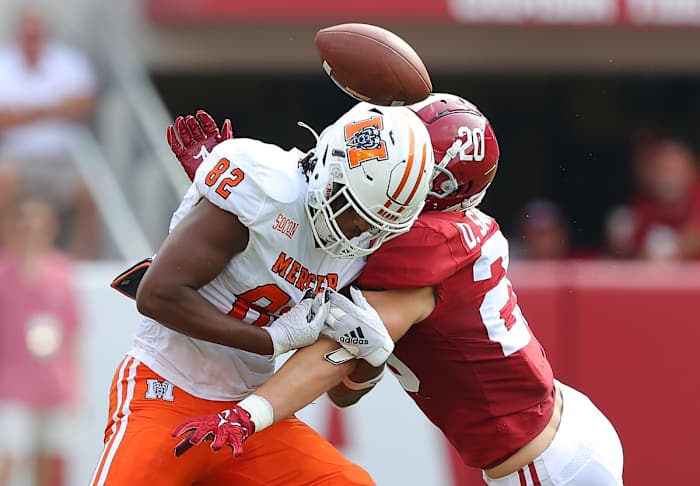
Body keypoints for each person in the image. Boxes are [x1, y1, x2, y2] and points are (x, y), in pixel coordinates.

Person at [171, 94, 625, 486]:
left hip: (542, 465)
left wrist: (247, 416)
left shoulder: (418, 253)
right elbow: (326, 219)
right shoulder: (439, 229)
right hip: (565, 423)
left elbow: (332, 359)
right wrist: (234, 191)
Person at [89, 105, 435, 486]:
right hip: (167, 389)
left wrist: (372, 357)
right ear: (328, 171)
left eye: (373, 225)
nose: (355, 232)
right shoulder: (265, 192)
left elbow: (341, 396)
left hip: (246, 417)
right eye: (353, 212)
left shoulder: (357, 251)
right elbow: (156, 295)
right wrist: (269, 341)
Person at [0, 7, 100, 259]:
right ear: (18, 33)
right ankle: (9, 260)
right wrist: (53, 109)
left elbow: (82, 107)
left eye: (36, 32)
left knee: (92, 194)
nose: (32, 37)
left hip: (62, 160)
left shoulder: (69, 61)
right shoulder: (4, 62)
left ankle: (81, 263)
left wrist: (22, 114)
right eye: (27, 32)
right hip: (16, 159)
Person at [0, 197, 81, 486]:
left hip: (53, 383)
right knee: (12, 452)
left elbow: (73, 335)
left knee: (53, 460)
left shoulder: (62, 271)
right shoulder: (3, 273)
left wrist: (75, 388)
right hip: (11, 384)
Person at [605, 137, 700, 260]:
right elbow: (630, 251)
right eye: (662, 169)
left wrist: (674, 249)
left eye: (672, 169)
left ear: (690, 170)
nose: (667, 176)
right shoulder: (644, 205)